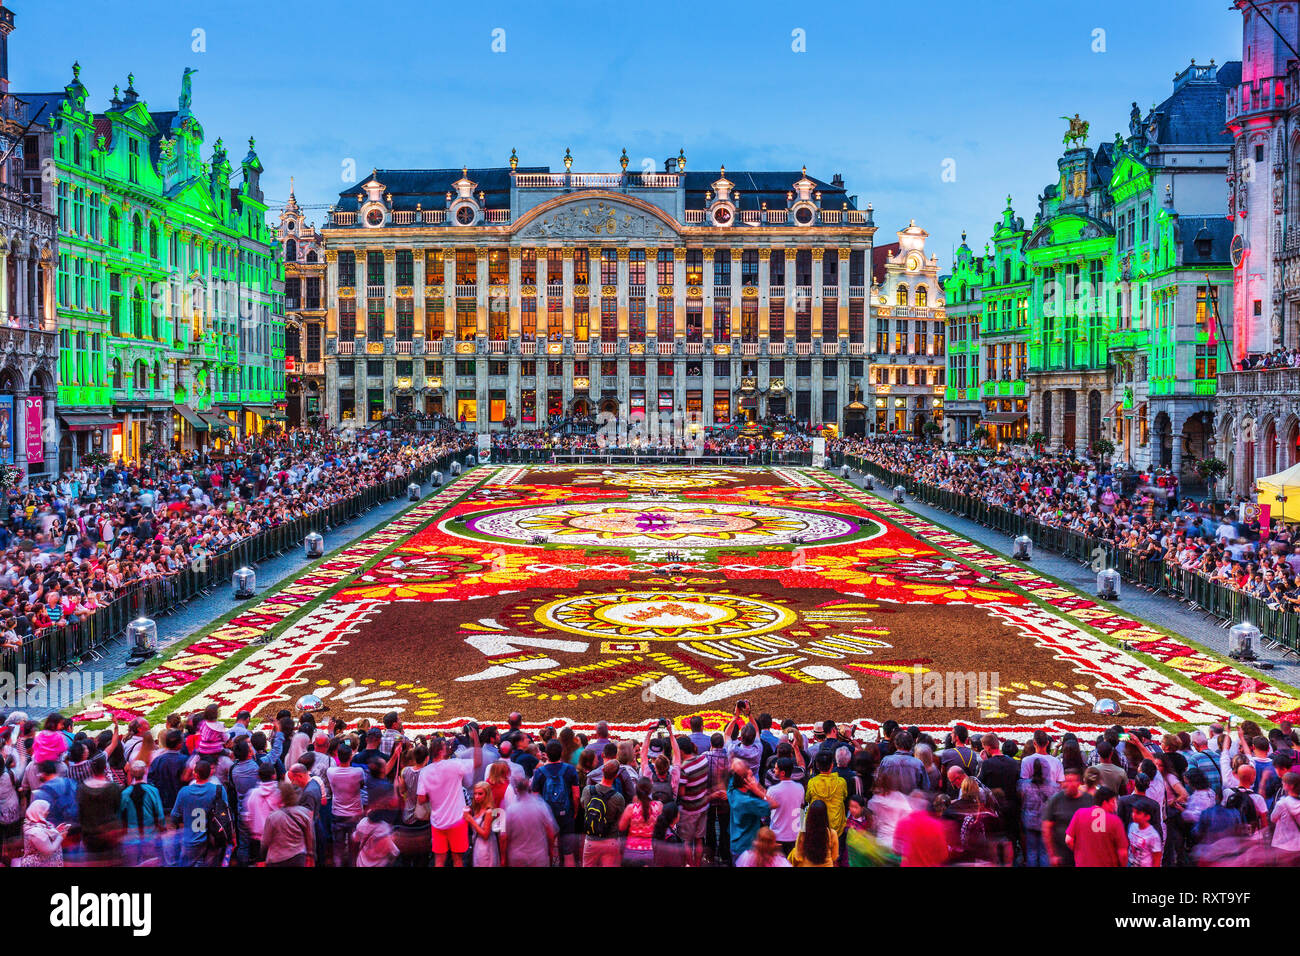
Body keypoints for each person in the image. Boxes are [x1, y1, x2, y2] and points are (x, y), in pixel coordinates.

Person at [416, 728, 482, 867]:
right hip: (457, 820)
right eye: (446, 745)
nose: (449, 747)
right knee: (457, 860)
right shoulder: (454, 765)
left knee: (439, 860)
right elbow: (478, 762)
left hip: (437, 822)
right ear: (441, 750)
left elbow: (421, 799)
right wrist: (476, 739)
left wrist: (435, 795)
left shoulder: (425, 772)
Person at [1064, 786, 1128, 867]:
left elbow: (1068, 840)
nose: (1115, 805)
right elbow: (1123, 853)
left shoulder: (1079, 814)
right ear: (1105, 802)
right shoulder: (1115, 821)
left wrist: (1080, 853)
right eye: (1113, 802)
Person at [580, 759, 626, 867]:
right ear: (615, 776)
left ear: (602, 770)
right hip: (610, 840)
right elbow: (620, 820)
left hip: (591, 839)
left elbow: (584, 806)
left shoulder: (587, 790)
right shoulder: (618, 798)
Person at [501, 777, 556, 867]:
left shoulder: (510, 810)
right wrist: (551, 851)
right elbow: (550, 833)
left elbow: (504, 837)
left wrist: (503, 858)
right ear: (530, 788)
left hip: (517, 858)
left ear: (516, 790)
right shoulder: (541, 807)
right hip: (538, 856)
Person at [262, 781, 314, 867]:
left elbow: (265, 841)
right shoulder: (305, 813)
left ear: (282, 797)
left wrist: (262, 858)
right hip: (298, 857)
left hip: (277, 858)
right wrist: (310, 854)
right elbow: (309, 837)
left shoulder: (273, 817)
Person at [618, 776, 662, 868]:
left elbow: (621, 827)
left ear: (637, 791)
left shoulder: (631, 808)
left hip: (631, 852)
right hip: (649, 852)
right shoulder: (658, 806)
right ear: (650, 791)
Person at [788, 798, 837, 867]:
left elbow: (798, 856)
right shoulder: (832, 833)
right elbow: (834, 856)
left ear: (809, 815)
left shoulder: (803, 833)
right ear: (825, 815)